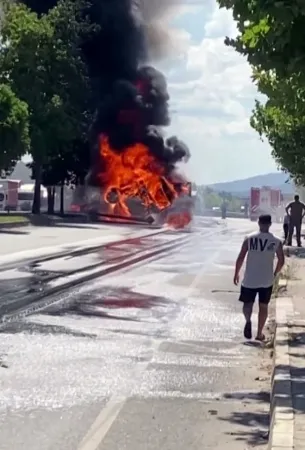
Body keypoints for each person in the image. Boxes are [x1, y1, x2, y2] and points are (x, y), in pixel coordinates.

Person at [233, 214, 285, 341]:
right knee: (263, 306)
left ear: (259, 223)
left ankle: (248, 320)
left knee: (247, 303)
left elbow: (241, 257)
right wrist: (275, 273)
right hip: (266, 279)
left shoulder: (249, 238)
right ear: (270, 224)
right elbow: (281, 260)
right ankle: (259, 333)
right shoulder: (276, 241)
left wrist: (236, 273)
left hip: (250, 278)